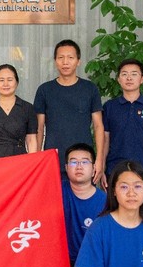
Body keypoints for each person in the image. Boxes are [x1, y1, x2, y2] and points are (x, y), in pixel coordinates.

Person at [34, 40, 104, 181]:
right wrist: (36, 159)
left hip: (83, 160)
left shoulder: (90, 89)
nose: (65, 62)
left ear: (78, 61)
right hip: (53, 158)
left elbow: (98, 126)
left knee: (83, 195)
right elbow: (39, 128)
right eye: (61, 57)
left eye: (70, 57)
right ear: (55, 61)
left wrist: (99, 159)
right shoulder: (45, 90)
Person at [101, 59, 143, 191]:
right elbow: (105, 140)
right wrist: (102, 169)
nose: (129, 78)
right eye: (124, 74)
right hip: (115, 169)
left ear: (142, 79)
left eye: (134, 74)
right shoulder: (110, 106)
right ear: (118, 79)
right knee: (115, 204)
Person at [61, 143, 106, 267]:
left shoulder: (105, 202)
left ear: (94, 169)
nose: (79, 166)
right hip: (60, 261)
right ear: (66, 168)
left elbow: (108, 242)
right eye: (73, 162)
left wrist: (93, 265)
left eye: (85, 162)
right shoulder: (56, 189)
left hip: (90, 262)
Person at [0, 64, 37, 160]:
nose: (5, 84)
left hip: (19, 159)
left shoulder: (27, 108)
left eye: (10, 80)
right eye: (1, 80)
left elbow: (31, 139)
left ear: (17, 82)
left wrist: (32, 163)